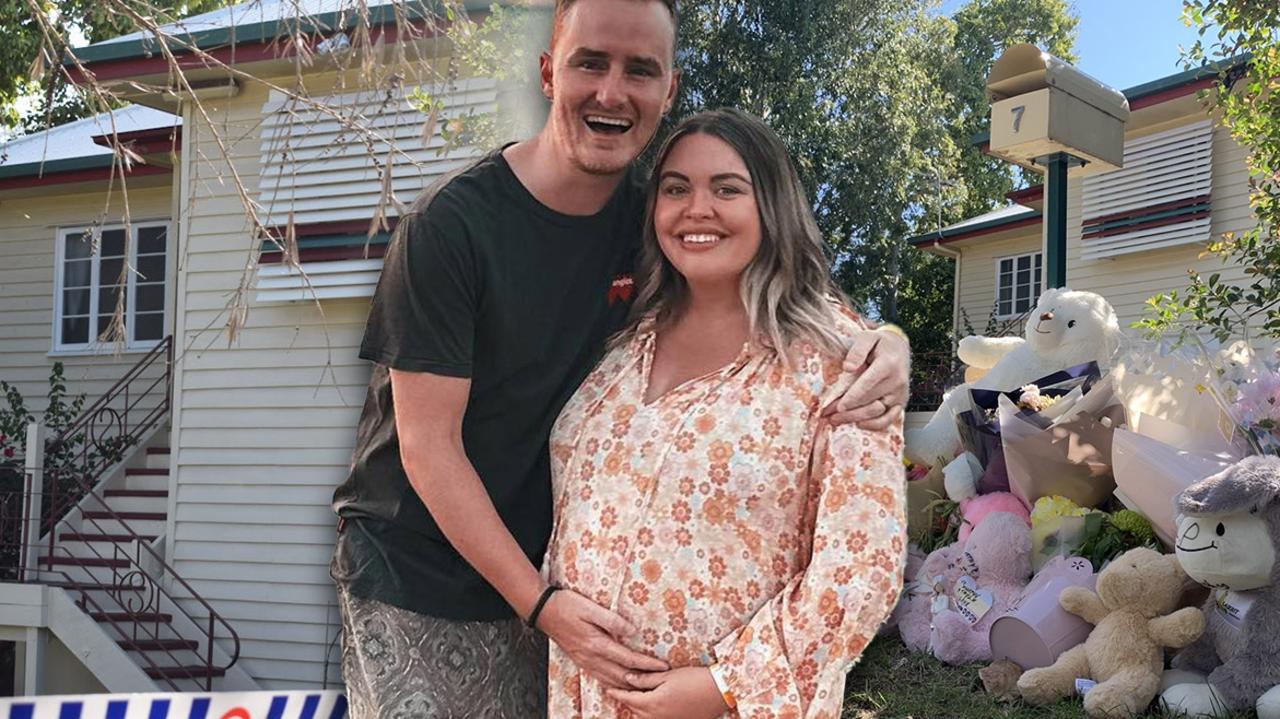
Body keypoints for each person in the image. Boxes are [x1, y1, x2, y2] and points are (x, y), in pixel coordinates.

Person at [330, 0, 911, 716]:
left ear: (668, 89)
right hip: (426, 579)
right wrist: (542, 602)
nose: (612, 91)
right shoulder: (449, 231)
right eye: (590, 63)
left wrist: (887, 342)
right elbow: (428, 447)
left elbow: (773, 278)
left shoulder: (657, 221)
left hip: (561, 612)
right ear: (549, 72)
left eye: (640, 70)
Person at [543, 108, 907, 719]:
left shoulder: (838, 360)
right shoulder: (621, 346)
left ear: (772, 207)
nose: (697, 208)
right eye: (676, 188)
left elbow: (861, 567)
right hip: (583, 695)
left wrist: (728, 686)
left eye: (727, 188)